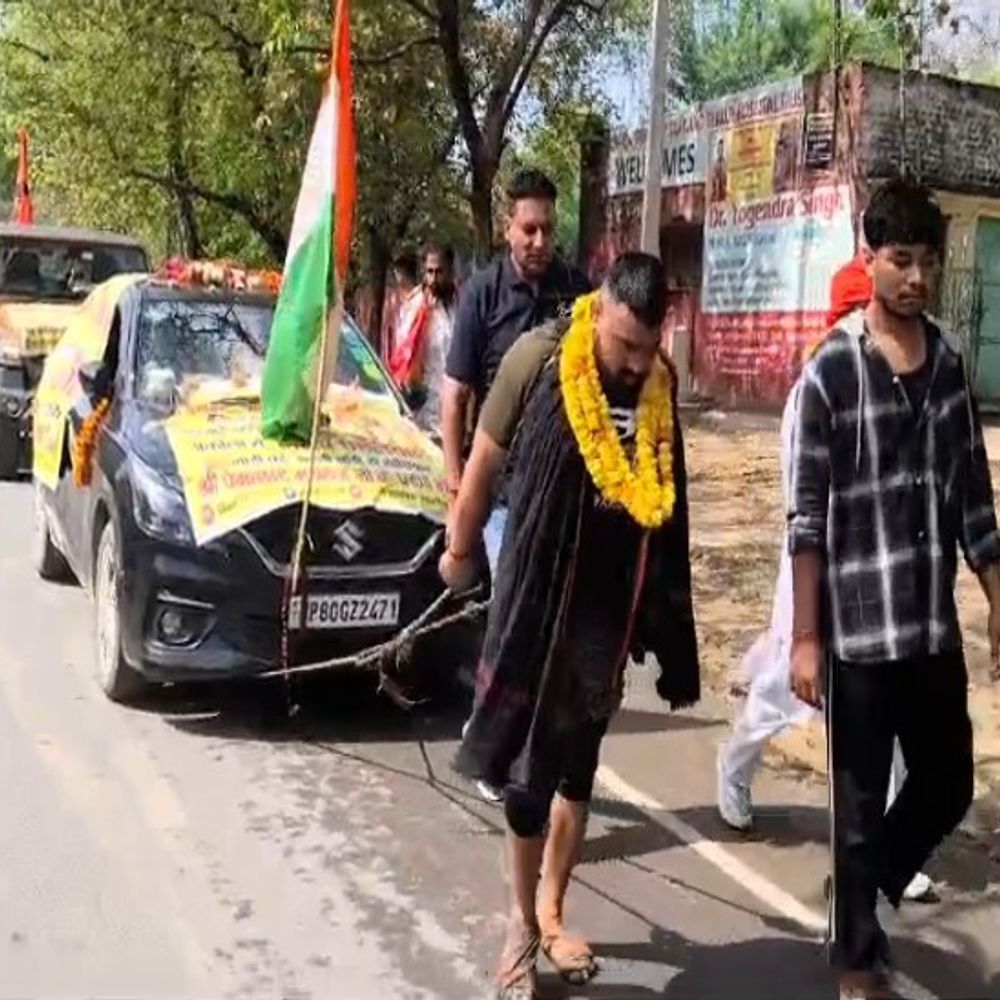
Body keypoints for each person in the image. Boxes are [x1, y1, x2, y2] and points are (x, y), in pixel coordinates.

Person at [440, 252, 700, 1000]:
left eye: (648, 348)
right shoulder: (539, 359)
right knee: (528, 780)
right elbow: (485, 463)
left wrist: (666, 621)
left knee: (577, 771)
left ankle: (552, 910)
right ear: (602, 308)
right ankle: (519, 928)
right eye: (624, 345)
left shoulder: (659, 387)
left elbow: (670, 505)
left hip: (606, 617)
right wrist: (459, 550)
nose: (635, 363)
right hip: (537, 601)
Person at [789, 179, 1000, 999]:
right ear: (869, 259)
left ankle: (865, 887)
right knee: (856, 801)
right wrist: (806, 638)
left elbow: (974, 501)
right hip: (857, 637)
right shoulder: (831, 372)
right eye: (901, 260)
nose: (917, 277)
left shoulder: (949, 366)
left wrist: (995, 598)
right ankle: (857, 968)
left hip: (929, 629)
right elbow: (806, 518)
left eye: (928, 263)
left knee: (948, 780)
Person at [716, 250, 937, 904]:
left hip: (881, 582)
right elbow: (803, 500)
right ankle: (733, 769)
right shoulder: (813, 390)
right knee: (781, 694)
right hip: (820, 574)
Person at [442, 167, 589, 578]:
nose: (540, 242)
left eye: (548, 229)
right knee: (514, 599)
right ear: (507, 228)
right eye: (529, 230)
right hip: (502, 492)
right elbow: (454, 398)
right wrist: (457, 491)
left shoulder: (578, 291)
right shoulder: (481, 295)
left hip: (563, 489)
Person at [390, 244, 457, 435]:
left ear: (451, 271)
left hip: (453, 411)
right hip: (424, 415)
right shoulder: (416, 307)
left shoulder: (460, 305)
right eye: (429, 272)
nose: (433, 279)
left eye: (439, 272)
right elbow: (404, 357)